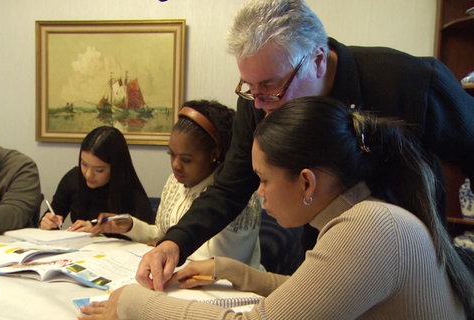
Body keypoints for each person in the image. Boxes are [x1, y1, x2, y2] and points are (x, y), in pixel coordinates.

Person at [136, 0, 474, 291]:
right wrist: (174, 242)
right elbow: (230, 187)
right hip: (321, 257)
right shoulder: (258, 104)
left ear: (318, 59)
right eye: (249, 87)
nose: (260, 103)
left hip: (409, 268)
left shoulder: (411, 82)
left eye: (271, 85)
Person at [79, 97, 474, 319]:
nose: (260, 193)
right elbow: (310, 296)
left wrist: (132, 303)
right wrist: (228, 270)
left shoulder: (369, 228)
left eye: (263, 179)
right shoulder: (370, 216)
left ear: (306, 182)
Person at [89, 100, 262, 268]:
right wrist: (131, 226)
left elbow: (222, 264)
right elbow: (162, 233)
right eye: (171, 154)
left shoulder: (238, 197)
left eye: (186, 159)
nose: (175, 165)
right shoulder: (175, 181)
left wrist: (164, 245)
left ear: (214, 154)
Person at [39, 126, 155, 233]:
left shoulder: (131, 193)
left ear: (115, 169)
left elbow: (148, 238)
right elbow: (55, 212)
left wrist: (98, 230)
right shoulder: (74, 178)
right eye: (84, 164)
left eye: (99, 170)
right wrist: (47, 222)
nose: (88, 175)